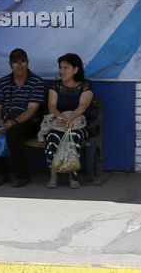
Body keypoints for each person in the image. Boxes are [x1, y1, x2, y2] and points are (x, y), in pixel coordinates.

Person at [0, 48, 44, 187]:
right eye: (15, 62)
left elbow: (32, 109)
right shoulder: (2, 83)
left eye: (22, 61)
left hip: (28, 122)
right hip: (4, 120)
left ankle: (22, 176)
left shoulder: (36, 82)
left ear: (28, 63)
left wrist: (14, 122)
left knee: (14, 134)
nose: (19, 65)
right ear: (10, 65)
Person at [44, 53, 93, 189]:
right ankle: (53, 174)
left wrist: (70, 119)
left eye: (66, 68)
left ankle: (73, 176)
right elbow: (51, 106)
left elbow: (83, 106)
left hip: (79, 124)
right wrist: (59, 116)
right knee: (53, 137)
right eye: (60, 67)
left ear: (75, 70)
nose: (62, 71)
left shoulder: (85, 85)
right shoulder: (56, 85)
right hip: (59, 124)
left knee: (73, 137)